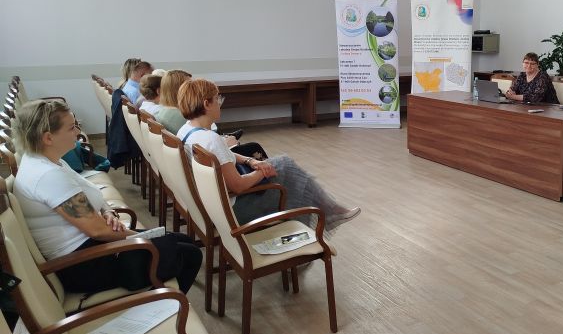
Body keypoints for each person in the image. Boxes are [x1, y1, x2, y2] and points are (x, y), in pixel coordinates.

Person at [11, 100, 201, 294]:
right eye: (71, 128)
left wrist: (108, 211)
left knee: (182, 240)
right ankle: (163, 303)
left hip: (93, 249)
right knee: (190, 254)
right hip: (85, 264)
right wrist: (142, 238)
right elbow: (98, 231)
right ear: (48, 138)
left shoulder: (47, 162)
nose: (77, 131)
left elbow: (91, 196)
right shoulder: (48, 176)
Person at [176, 78, 360, 230]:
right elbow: (238, 186)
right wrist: (263, 171)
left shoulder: (185, 131)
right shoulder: (211, 139)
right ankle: (309, 233)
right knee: (291, 176)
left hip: (211, 207)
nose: (220, 104)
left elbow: (222, 156)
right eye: (217, 99)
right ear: (206, 104)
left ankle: (327, 215)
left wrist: (250, 161)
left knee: (288, 171)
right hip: (234, 211)